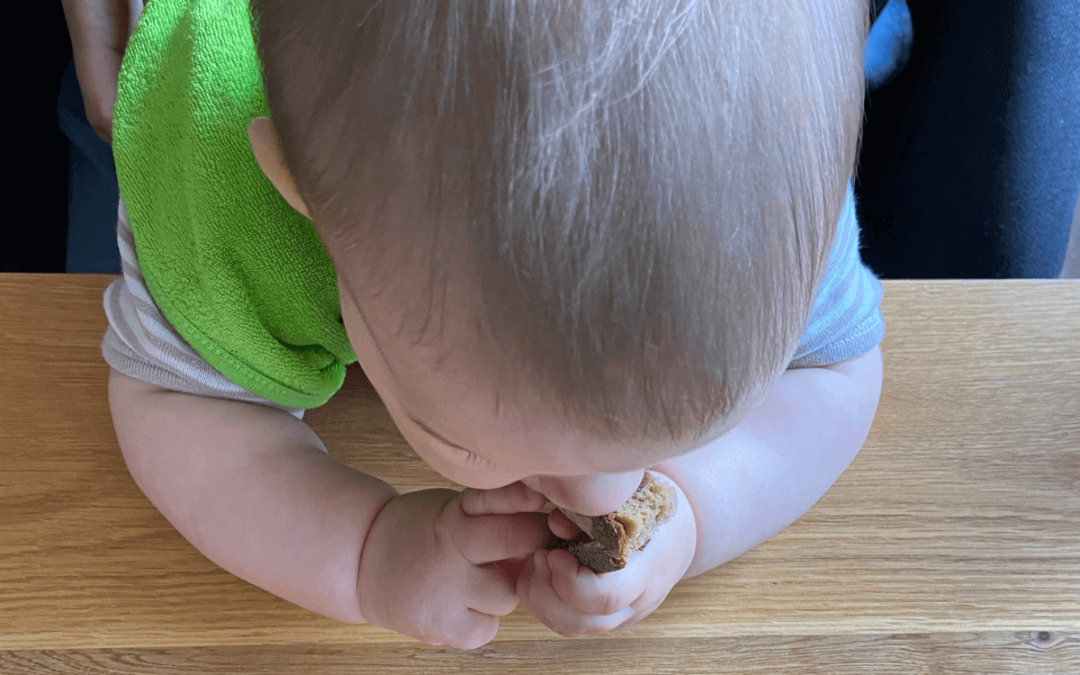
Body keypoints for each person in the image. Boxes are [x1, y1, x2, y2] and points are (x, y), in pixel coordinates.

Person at [99, 0, 884, 649]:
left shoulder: (760, 192)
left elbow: (834, 369)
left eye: (665, 439)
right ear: (298, 191)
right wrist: (365, 552)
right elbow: (180, 405)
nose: (602, 494)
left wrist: (699, 506)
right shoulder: (221, 202)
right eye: (472, 445)